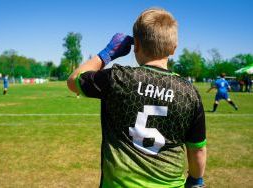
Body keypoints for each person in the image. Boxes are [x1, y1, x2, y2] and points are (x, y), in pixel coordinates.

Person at [68, 8, 206, 188]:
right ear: (173, 49)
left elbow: (73, 80)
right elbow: (198, 149)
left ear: (136, 45)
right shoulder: (189, 92)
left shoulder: (118, 78)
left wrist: (107, 53)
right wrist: (196, 181)